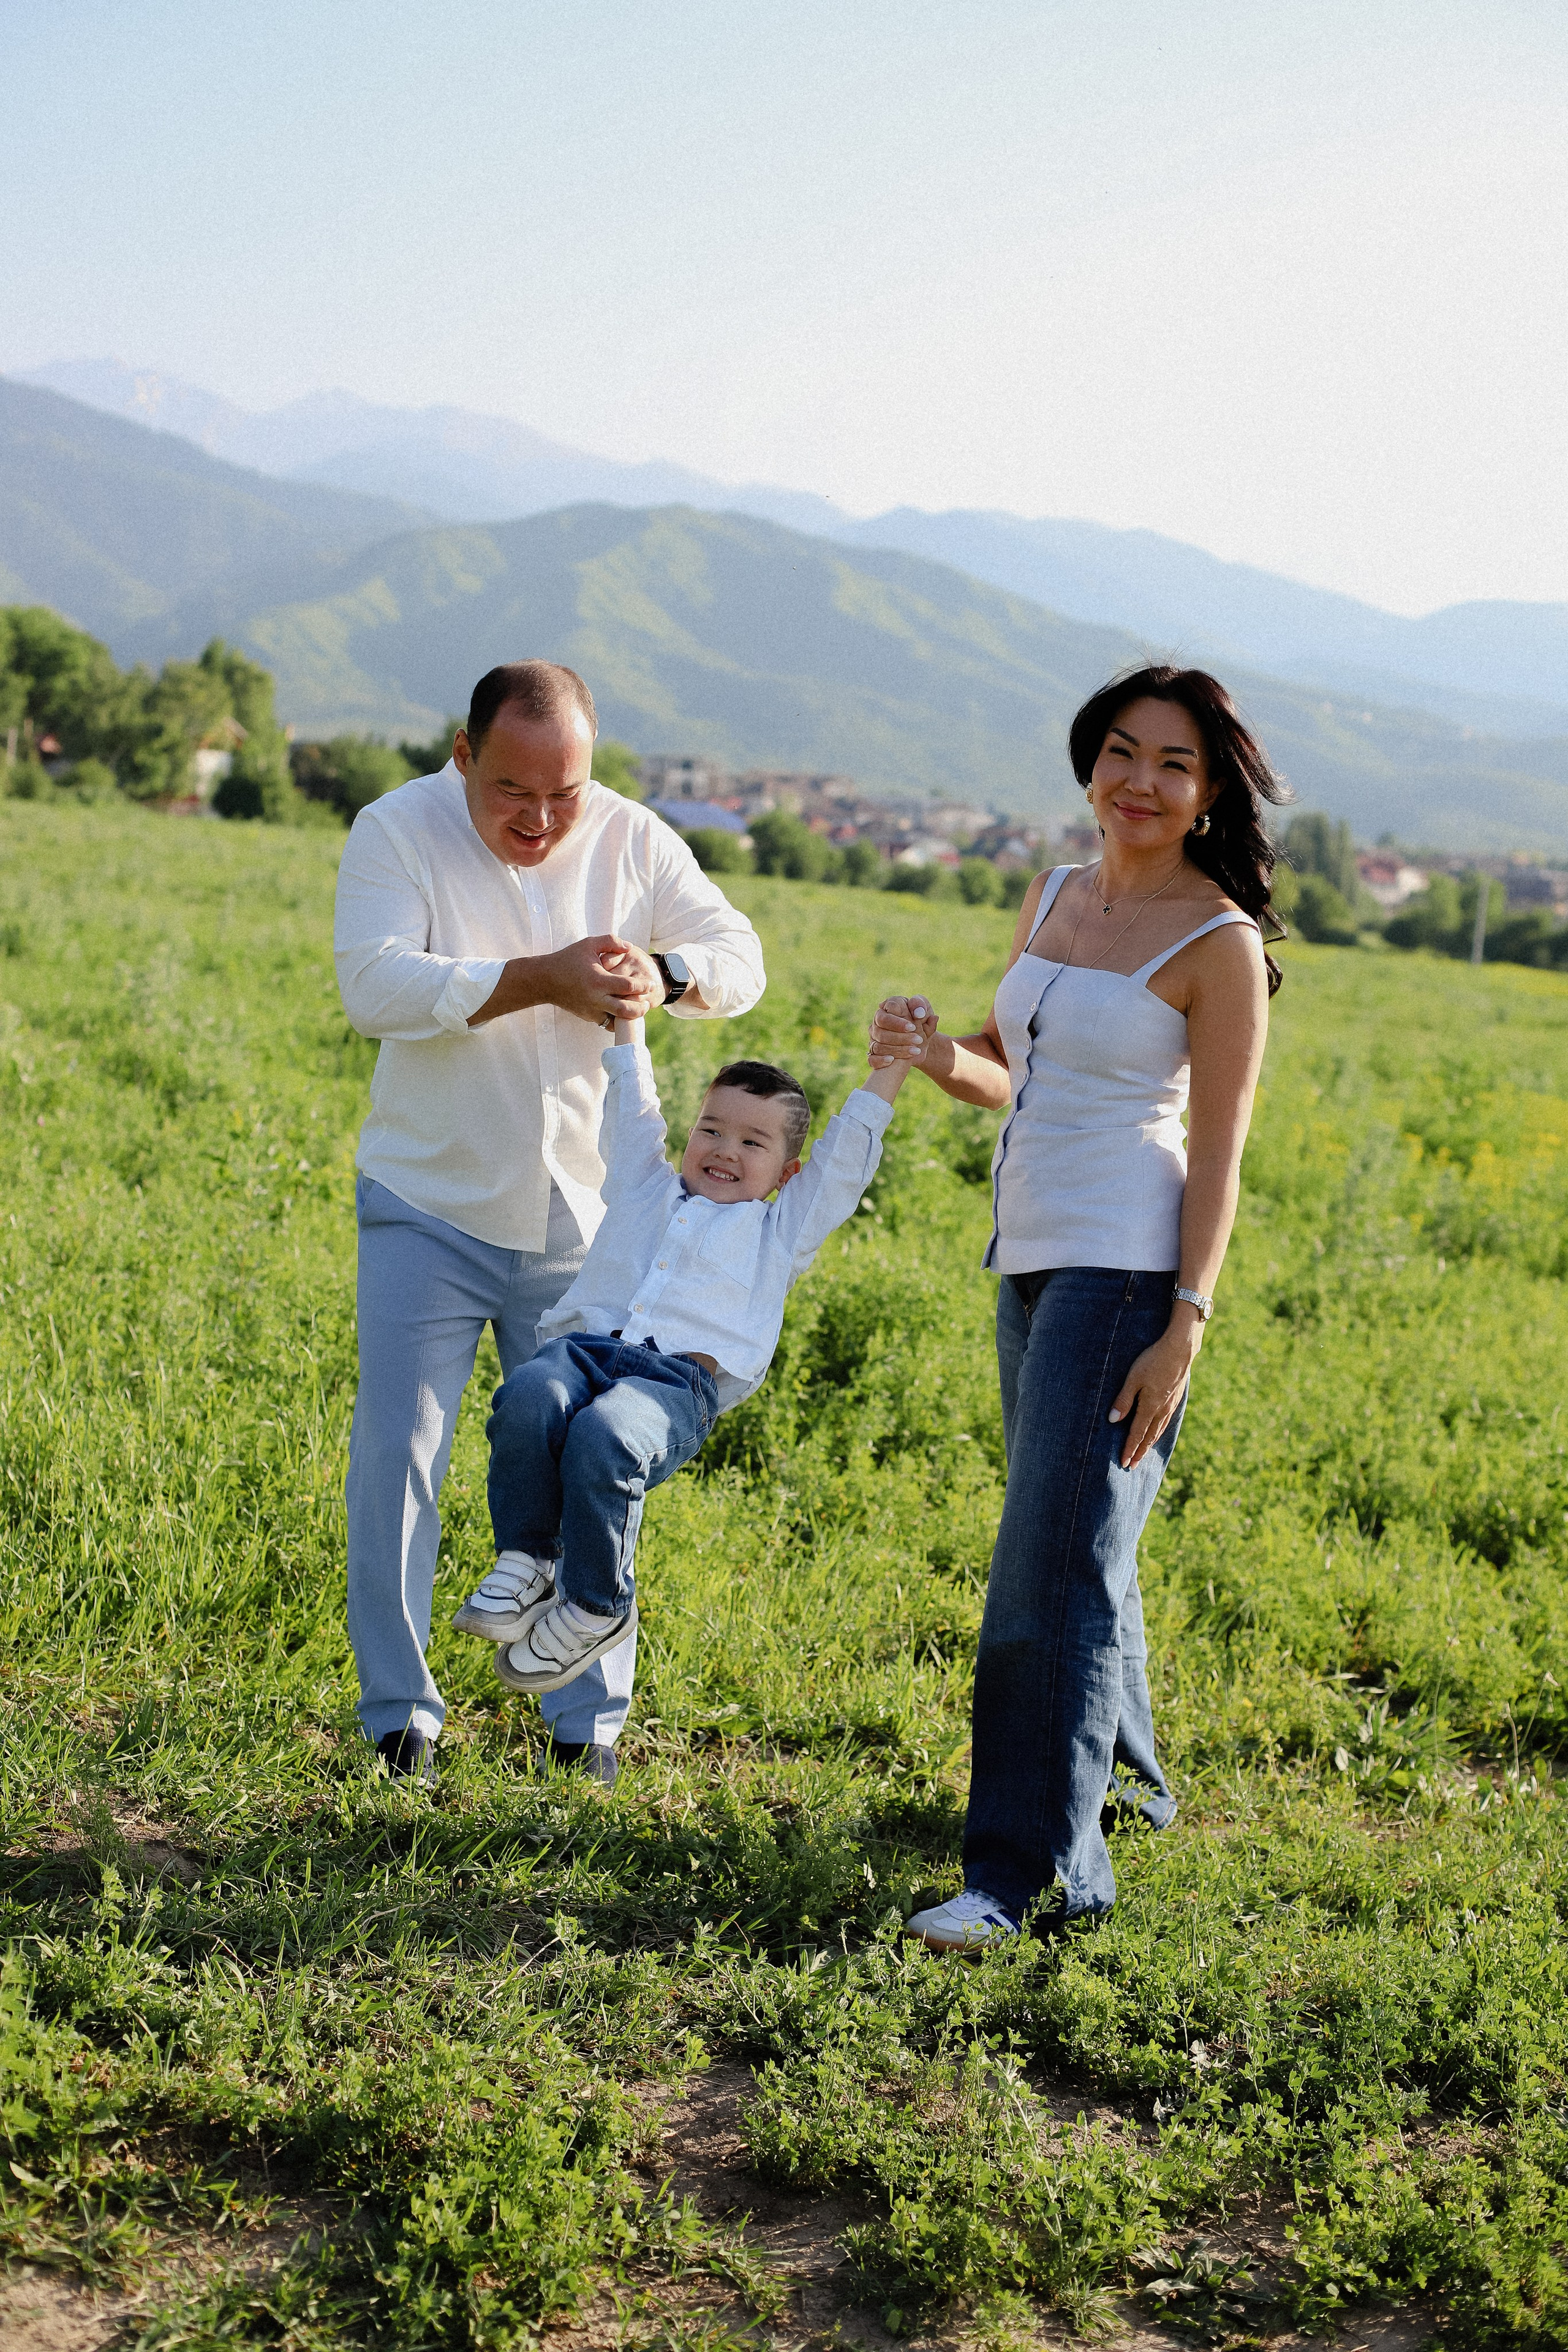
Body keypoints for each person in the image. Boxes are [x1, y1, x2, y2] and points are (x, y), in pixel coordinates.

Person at [869, 665, 1286, 1949]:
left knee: (1046, 1573)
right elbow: (1015, 1075)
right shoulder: (1050, 895)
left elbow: (1218, 1152)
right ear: (1086, 762)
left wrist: (1186, 1322)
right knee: (1076, 1546)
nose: (1138, 782)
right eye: (1119, 752)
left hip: (1124, 1272)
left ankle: (1029, 1880)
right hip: (1030, 1256)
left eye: (1171, 763)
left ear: (1208, 789)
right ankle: (1128, 1794)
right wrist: (941, 1054)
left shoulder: (1217, 946)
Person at [333, 660, 765, 1785]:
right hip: (427, 1202)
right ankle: (400, 1717)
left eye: (562, 794)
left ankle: (587, 1730)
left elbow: (740, 958)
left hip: (588, 1222)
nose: (538, 818)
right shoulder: (396, 829)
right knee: (402, 1461)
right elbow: (374, 987)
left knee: (590, 1467)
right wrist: (543, 977)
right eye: (512, 791)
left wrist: (663, 975)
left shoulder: (633, 838)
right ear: (464, 755)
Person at [454, 1011, 912, 1694]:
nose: (725, 1149)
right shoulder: (643, 1183)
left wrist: (895, 1063)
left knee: (605, 1436)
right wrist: (630, 1023)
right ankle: (527, 1558)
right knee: (525, 1395)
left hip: (674, 1387)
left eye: (752, 1142)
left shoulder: (781, 1228)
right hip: (584, 1354)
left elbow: (845, 1157)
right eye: (711, 1130)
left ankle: (596, 1606)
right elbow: (632, 1106)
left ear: (787, 1173)